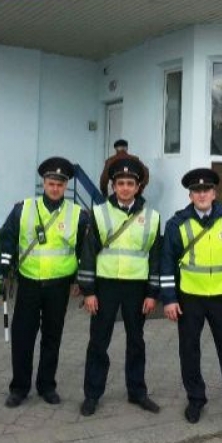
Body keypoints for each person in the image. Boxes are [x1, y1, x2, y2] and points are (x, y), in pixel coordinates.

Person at [160, 167, 222, 430]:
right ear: (190, 195)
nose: (202, 194)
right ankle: (195, 399)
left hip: (221, 298)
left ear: (214, 193)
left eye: (206, 190)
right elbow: (166, 264)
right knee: (189, 352)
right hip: (189, 297)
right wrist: (169, 299)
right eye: (196, 190)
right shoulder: (177, 223)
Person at [0, 157, 90, 408]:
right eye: (51, 183)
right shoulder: (23, 209)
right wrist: (3, 270)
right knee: (23, 337)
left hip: (59, 286)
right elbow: (7, 240)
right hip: (28, 283)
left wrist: (79, 281)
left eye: (60, 185)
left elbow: (84, 251)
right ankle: (19, 388)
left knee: (52, 337)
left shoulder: (78, 215)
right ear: (44, 183)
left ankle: (47, 385)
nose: (55, 188)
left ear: (66, 186)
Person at [78, 157, 161, 417]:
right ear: (113, 186)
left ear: (138, 187)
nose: (125, 188)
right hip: (106, 285)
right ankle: (92, 394)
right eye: (120, 183)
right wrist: (89, 291)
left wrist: (152, 294)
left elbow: (156, 258)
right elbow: (88, 254)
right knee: (98, 341)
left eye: (130, 183)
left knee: (136, 341)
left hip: (136, 287)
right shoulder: (99, 213)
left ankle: (137, 392)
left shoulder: (152, 216)